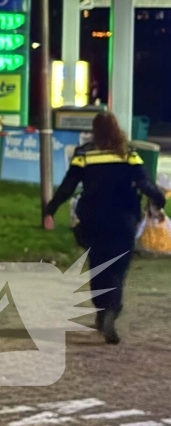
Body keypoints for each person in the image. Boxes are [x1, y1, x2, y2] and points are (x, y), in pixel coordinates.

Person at [43, 111, 166, 344]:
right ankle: (112, 309)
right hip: (124, 220)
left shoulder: (84, 154)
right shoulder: (128, 154)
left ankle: (101, 312)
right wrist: (158, 202)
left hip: (93, 220)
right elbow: (145, 183)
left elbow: (68, 185)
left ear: (95, 130)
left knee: (98, 268)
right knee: (117, 269)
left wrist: (50, 210)